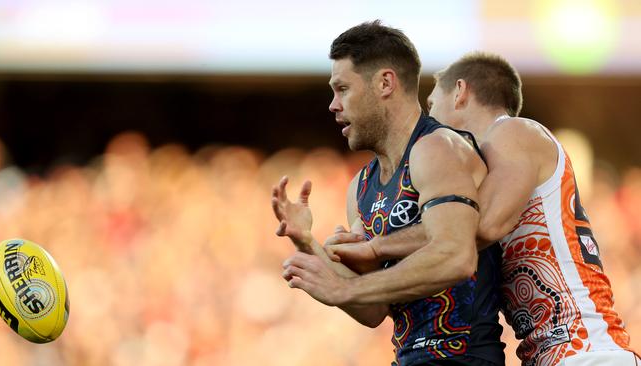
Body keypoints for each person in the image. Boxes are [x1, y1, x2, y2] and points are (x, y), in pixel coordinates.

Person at [328, 52, 638, 366]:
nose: (428, 121)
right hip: (556, 354)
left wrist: (377, 247)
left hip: (586, 351)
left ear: (460, 92)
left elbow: (477, 229)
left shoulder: (512, 132)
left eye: (433, 105)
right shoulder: (484, 168)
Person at [271, 21, 505, 366]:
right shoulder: (361, 187)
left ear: (385, 83)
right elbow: (374, 311)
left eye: (342, 89)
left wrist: (344, 289)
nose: (333, 105)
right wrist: (308, 244)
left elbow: (457, 255)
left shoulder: (437, 147)